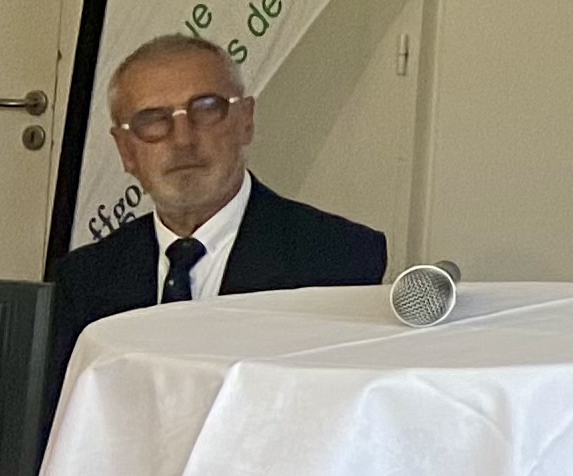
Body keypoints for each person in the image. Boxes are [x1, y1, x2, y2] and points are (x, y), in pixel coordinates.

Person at [48, 35, 387, 391]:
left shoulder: (340, 260)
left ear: (246, 121)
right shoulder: (82, 280)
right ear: (126, 151)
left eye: (206, 109)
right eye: (153, 120)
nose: (183, 140)